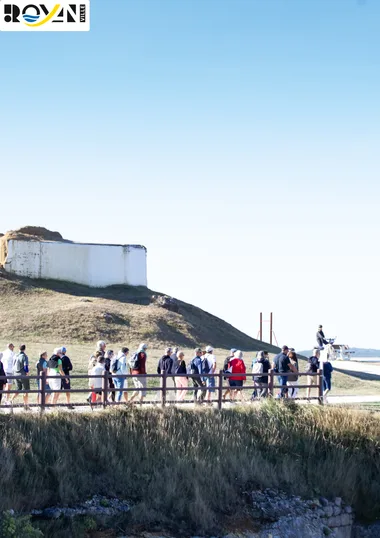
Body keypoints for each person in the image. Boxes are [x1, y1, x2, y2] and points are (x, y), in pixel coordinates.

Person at [10, 344, 30, 409]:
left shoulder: (15, 355)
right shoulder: (24, 356)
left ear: (19, 348)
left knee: (18, 389)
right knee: (25, 390)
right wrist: (27, 372)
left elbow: (13, 365)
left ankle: (11, 400)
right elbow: (25, 366)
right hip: (22, 374)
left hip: (15, 374)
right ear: (24, 349)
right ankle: (26, 405)